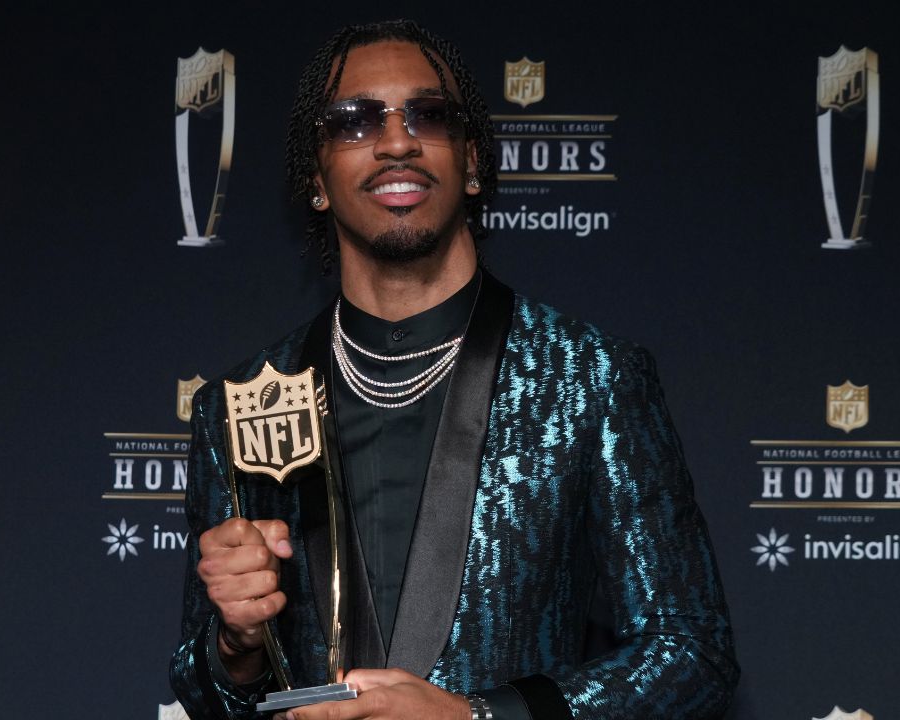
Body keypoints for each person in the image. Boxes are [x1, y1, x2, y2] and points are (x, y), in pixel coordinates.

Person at [170, 20, 738, 720]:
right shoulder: (239, 404)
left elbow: (692, 652)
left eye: (429, 114)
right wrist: (235, 645)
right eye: (354, 121)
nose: (397, 141)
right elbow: (204, 694)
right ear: (315, 180)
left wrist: (479, 717)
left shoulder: (589, 377)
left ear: (472, 164)